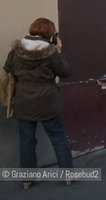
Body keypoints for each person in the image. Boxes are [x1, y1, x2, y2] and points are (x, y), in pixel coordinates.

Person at [3, 18, 72, 189]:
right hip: (47, 101)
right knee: (58, 138)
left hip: (23, 101)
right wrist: (59, 50)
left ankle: (27, 180)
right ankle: (68, 176)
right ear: (50, 34)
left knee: (26, 141)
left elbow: (7, 68)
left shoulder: (16, 50)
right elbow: (65, 72)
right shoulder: (50, 51)